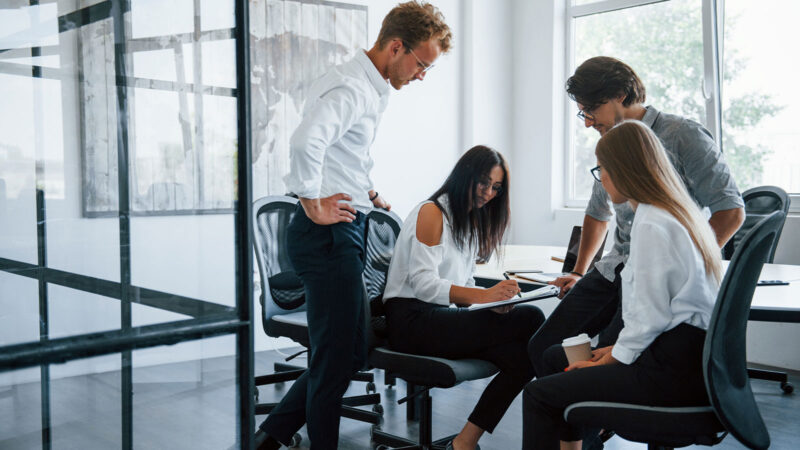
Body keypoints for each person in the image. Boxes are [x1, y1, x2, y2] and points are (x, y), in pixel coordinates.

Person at [254, 3, 452, 449]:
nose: (421, 75)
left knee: (351, 350)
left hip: (343, 228)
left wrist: (368, 192)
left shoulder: (367, 85)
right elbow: (307, 141)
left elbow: (342, 154)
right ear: (395, 46)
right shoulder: (351, 87)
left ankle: (267, 438)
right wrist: (311, 201)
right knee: (336, 358)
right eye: (421, 64)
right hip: (327, 235)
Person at [528, 56, 744, 379]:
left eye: (591, 110)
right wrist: (577, 271)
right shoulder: (610, 145)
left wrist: (688, 266)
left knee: (613, 360)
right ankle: (575, 424)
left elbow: (731, 211)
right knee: (543, 347)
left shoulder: (683, 135)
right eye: (582, 112)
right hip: (615, 269)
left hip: (656, 276)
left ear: (620, 96)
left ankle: (590, 414)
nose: (587, 122)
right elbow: (597, 214)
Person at [522, 120, 724, 449]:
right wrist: (611, 351)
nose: (600, 178)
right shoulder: (674, 212)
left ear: (622, 169)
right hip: (685, 359)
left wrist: (613, 357)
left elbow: (650, 316)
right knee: (553, 357)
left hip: (669, 373)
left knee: (538, 394)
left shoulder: (652, 223)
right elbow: (655, 317)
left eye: (601, 169)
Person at [383, 145, 545, 450]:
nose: (488, 193)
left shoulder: (469, 221)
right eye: (484, 182)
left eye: (496, 187)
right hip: (411, 320)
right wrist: (484, 296)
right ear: (465, 175)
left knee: (522, 355)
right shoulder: (432, 212)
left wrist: (493, 305)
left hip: (441, 317)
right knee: (532, 318)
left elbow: (464, 282)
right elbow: (424, 286)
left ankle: (464, 442)